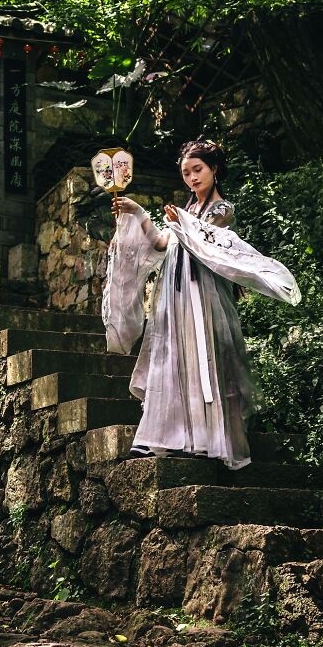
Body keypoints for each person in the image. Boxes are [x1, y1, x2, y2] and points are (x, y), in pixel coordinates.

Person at [102, 139, 301, 470]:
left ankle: (208, 440)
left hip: (203, 294)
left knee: (204, 360)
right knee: (171, 359)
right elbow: (161, 243)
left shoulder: (222, 210)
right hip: (175, 294)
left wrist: (181, 224)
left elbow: (206, 241)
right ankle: (164, 436)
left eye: (198, 170)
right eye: (186, 173)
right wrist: (137, 211)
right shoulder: (186, 210)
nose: (192, 178)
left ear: (214, 169)